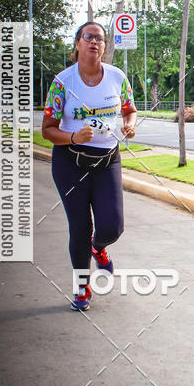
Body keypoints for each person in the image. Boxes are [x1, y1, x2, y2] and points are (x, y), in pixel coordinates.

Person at [42, 21, 137, 310]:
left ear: (104, 46)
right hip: (71, 162)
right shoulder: (62, 82)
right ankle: (82, 288)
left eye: (100, 38)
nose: (95, 41)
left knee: (113, 225)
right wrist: (72, 135)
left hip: (108, 159)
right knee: (80, 226)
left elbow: (129, 109)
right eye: (89, 37)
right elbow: (47, 129)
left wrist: (129, 125)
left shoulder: (117, 77)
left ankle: (99, 247)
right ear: (78, 43)